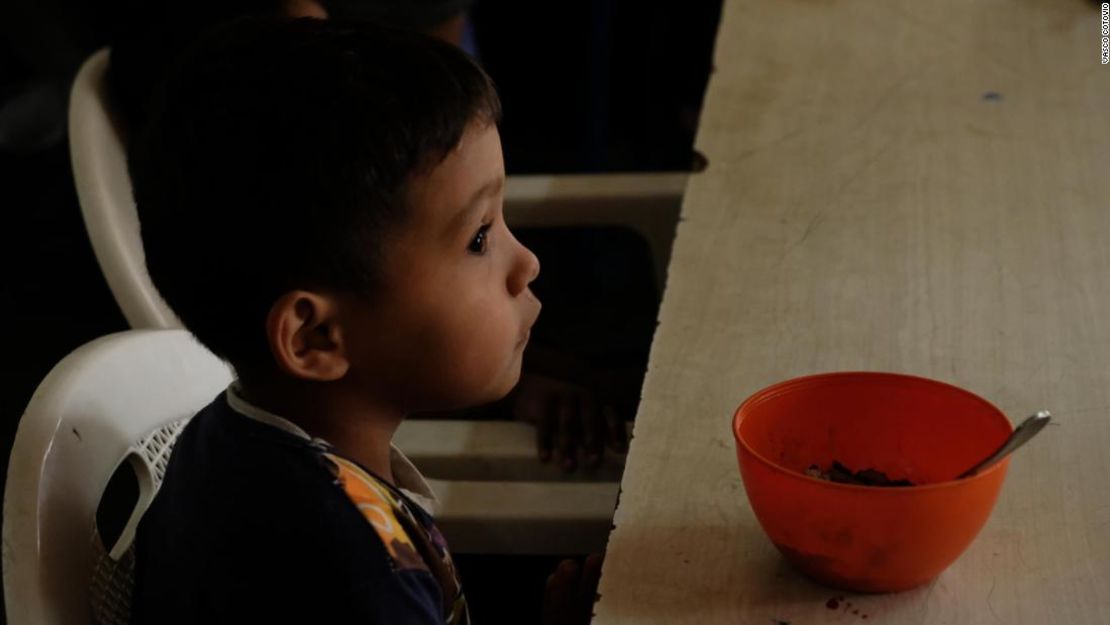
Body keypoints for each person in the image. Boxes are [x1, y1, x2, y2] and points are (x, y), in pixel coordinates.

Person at [128, 17, 598, 623]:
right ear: (316, 338)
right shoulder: (352, 579)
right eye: (479, 238)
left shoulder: (231, 436)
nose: (527, 263)